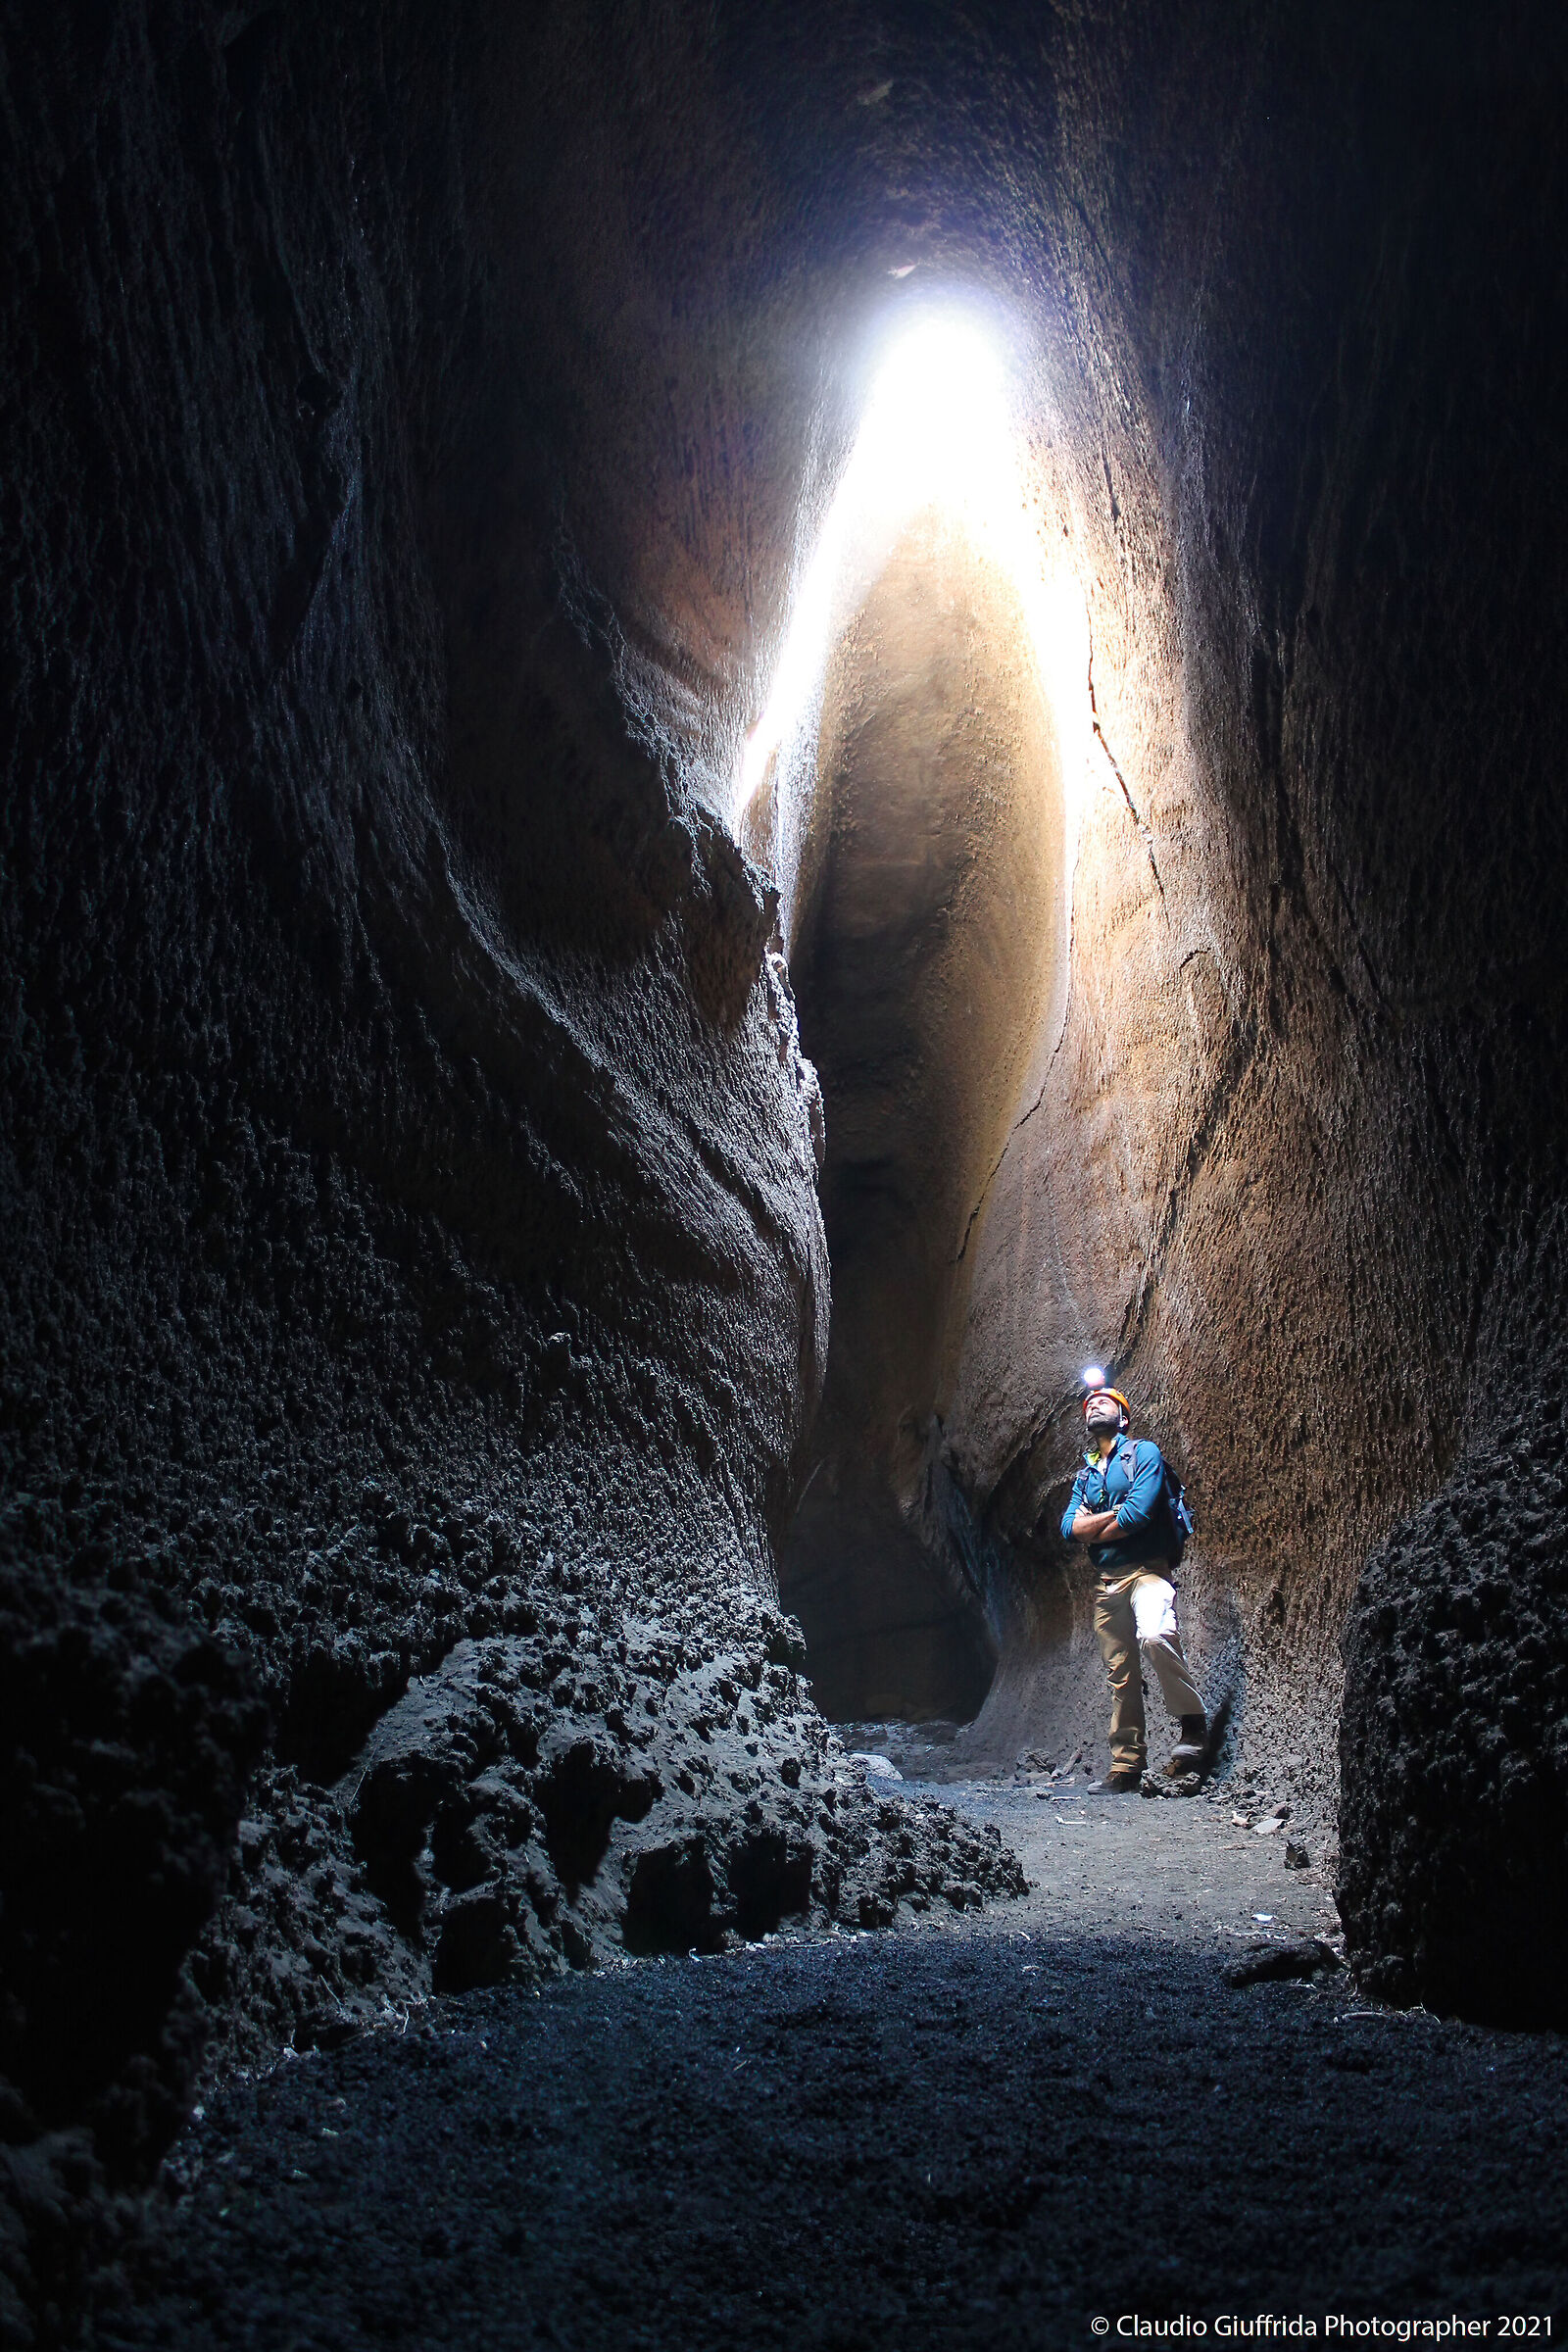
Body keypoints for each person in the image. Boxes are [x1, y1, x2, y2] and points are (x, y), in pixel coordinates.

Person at [1060, 1382, 1207, 1792]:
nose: (1095, 1405)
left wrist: (1093, 1525)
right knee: (1120, 1676)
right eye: (1090, 1404)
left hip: (1147, 1572)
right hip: (1108, 1585)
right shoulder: (1086, 1475)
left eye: (1105, 1401)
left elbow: (1139, 1514)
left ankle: (1193, 1724)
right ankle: (1126, 1767)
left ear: (1123, 1418)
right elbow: (1067, 1529)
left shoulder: (1143, 1453)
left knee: (1157, 1635)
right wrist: (1100, 1522)